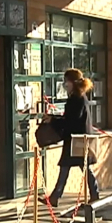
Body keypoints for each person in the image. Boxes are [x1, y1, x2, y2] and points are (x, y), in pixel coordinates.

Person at [39, 68, 99, 207]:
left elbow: (71, 120)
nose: (64, 84)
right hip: (75, 139)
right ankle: (56, 197)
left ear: (72, 82)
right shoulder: (76, 98)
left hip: (77, 140)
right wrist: (54, 118)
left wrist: (53, 120)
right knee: (72, 167)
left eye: (66, 81)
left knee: (81, 167)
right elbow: (69, 119)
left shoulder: (77, 99)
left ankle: (94, 195)